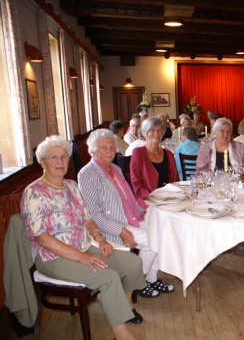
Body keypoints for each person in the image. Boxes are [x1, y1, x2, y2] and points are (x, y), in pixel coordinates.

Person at [21, 136, 147, 340]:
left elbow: (88, 219)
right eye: (53, 157)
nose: (60, 162)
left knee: (132, 262)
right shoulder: (34, 193)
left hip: (85, 246)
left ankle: (126, 308)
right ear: (42, 161)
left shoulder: (71, 186)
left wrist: (101, 239)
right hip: (53, 257)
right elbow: (42, 238)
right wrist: (80, 257)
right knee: (108, 277)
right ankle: (122, 335)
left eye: (63, 157)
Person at [78, 129, 174, 299]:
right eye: (103, 147)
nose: (109, 150)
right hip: (110, 226)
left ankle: (151, 279)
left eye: (111, 147)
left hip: (130, 217)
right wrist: (120, 231)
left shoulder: (115, 168)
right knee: (151, 239)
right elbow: (94, 214)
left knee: (163, 230)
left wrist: (142, 212)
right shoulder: (87, 174)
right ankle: (137, 282)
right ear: (93, 150)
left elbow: (129, 197)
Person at [131, 118, 180, 208]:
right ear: (145, 133)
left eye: (159, 130)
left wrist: (176, 195)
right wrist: (151, 196)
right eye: (152, 130)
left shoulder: (168, 154)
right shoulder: (138, 153)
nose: (156, 134)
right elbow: (136, 183)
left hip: (169, 198)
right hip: (147, 199)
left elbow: (176, 180)